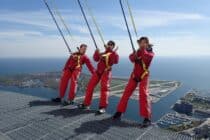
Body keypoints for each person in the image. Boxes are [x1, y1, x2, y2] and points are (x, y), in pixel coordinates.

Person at [112, 37, 154, 127]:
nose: (142, 44)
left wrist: (140, 50)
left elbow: (146, 58)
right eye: (140, 43)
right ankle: (119, 111)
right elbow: (131, 58)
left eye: (144, 43)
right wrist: (135, 55)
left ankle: (147, 118)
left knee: (143, 94)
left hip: (144, 76)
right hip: (134, 75)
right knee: (126, 93)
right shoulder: (138, 51)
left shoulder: (150, 53)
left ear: (147, 44)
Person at [78, 40, 119, 114]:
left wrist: (111, 51)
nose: (109, 45)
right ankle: (86, 104)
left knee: (104, 88)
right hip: (98, 72)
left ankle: (102, 107)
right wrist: (96, 52)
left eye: (111, 45)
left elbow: (115, 61)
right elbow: (96, 59)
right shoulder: (103, 53)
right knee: (90, 86)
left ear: (113, 46)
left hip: (106, 72)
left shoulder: (113, 53)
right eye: (108, 44)